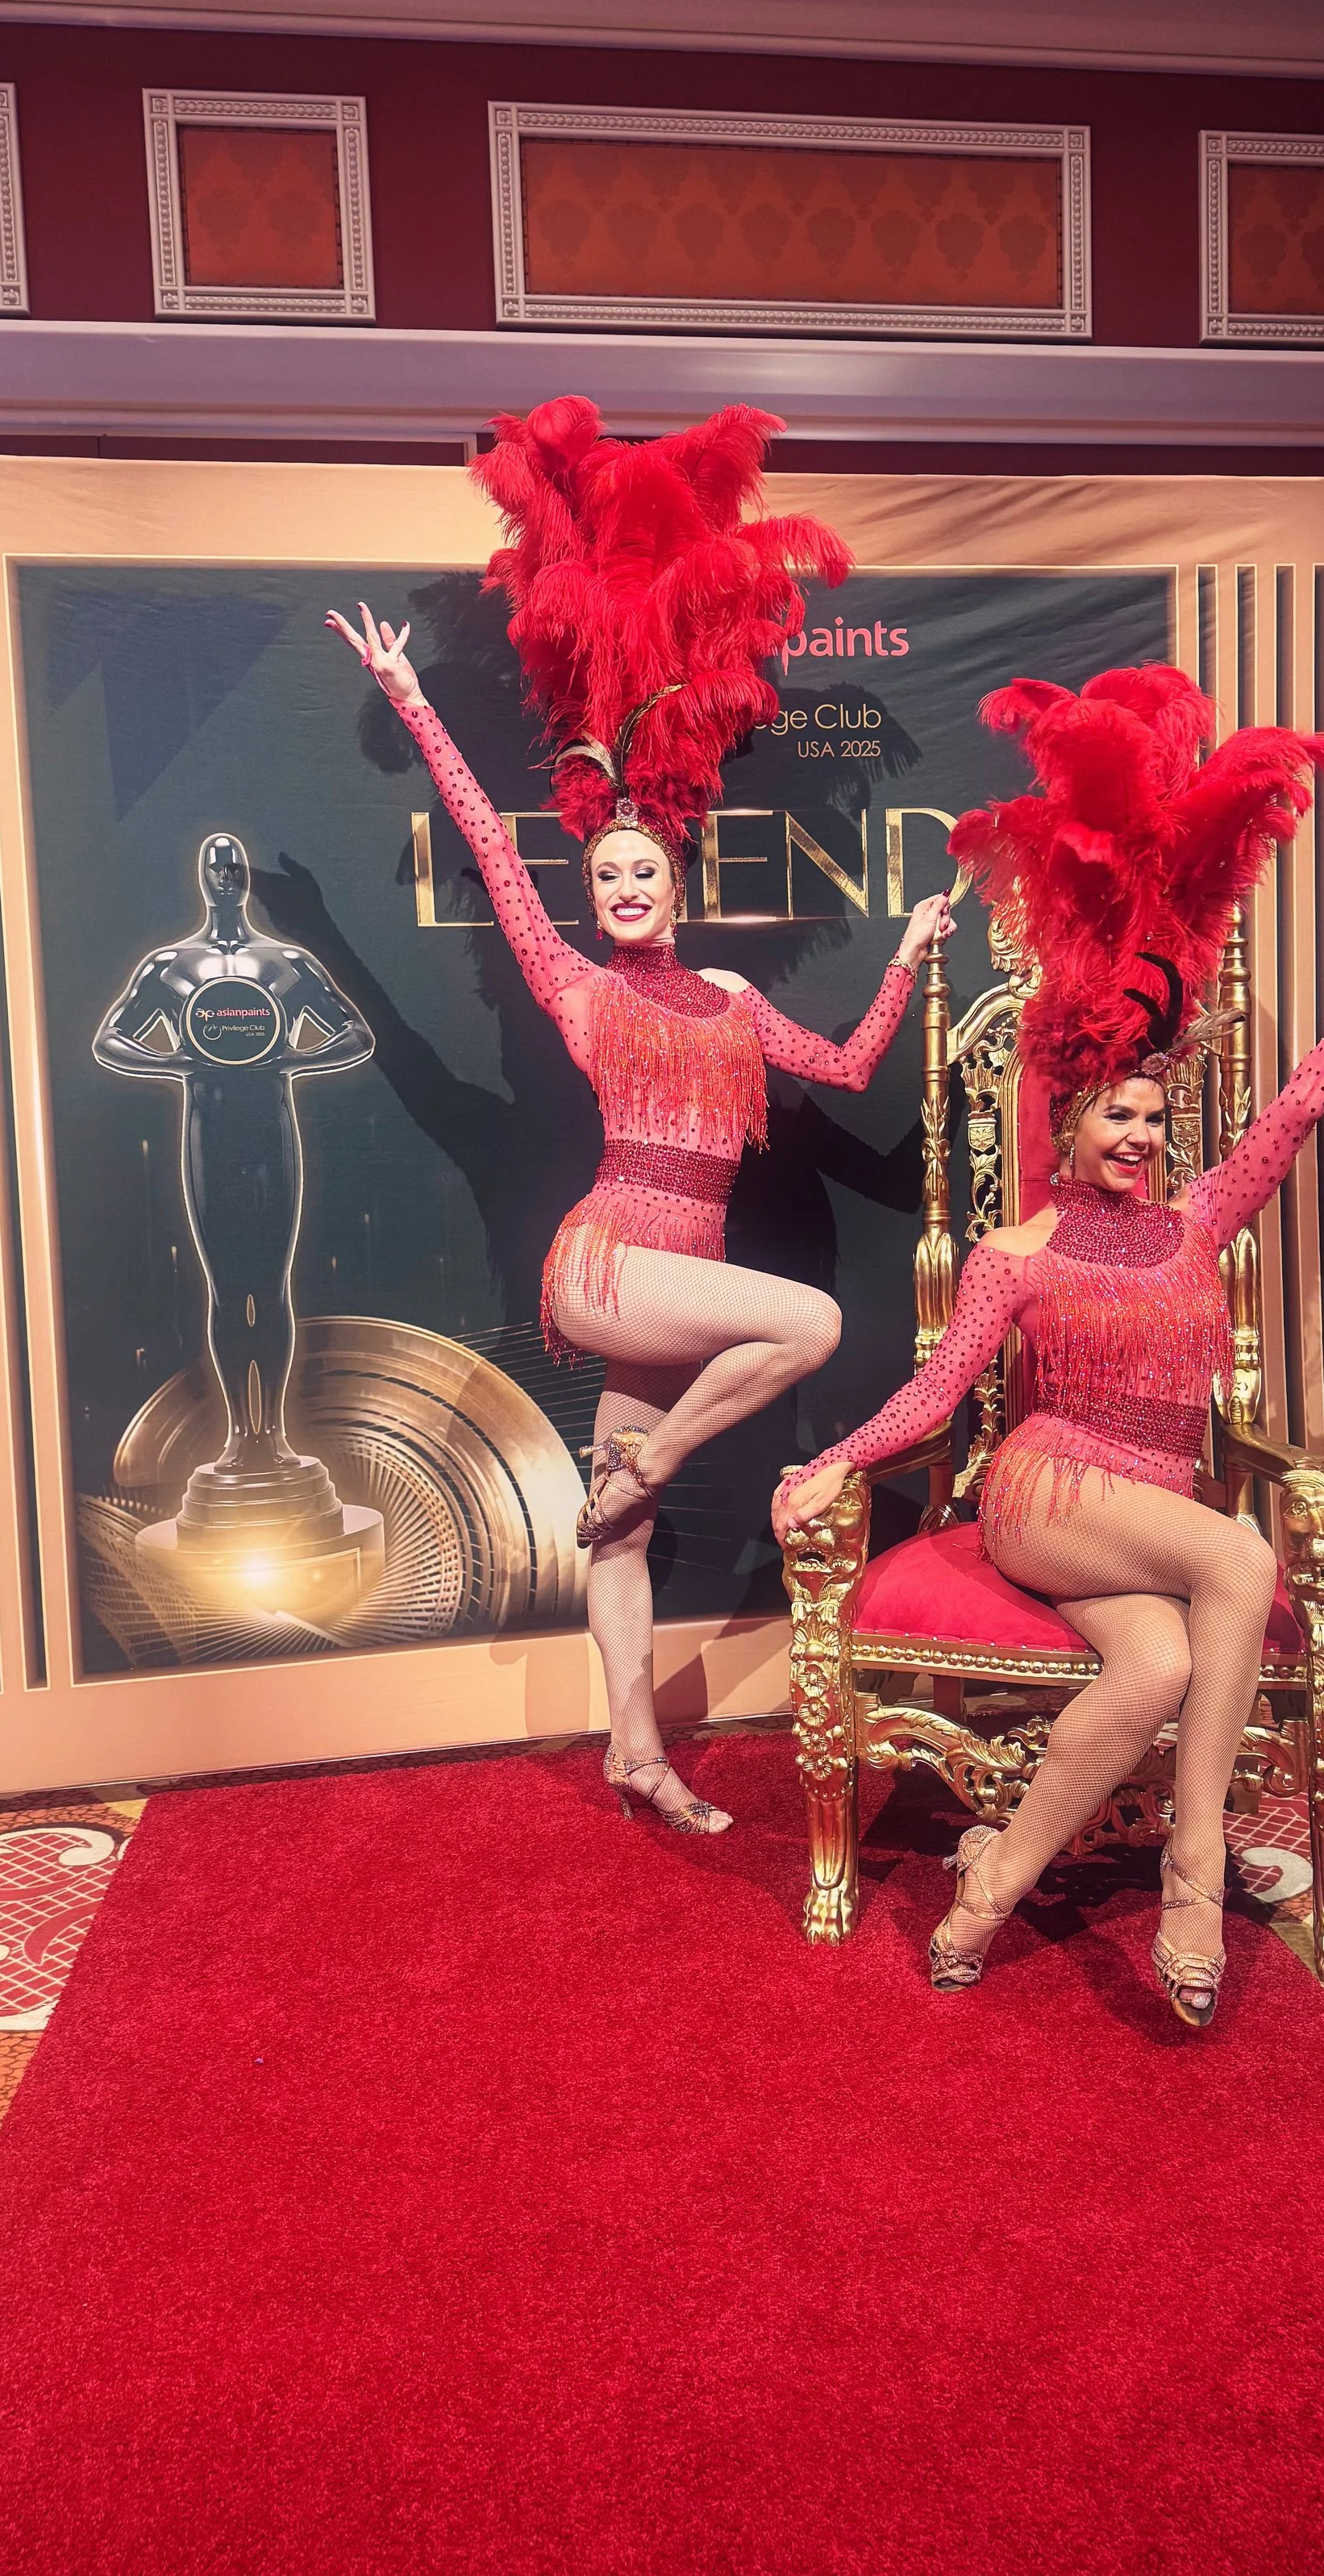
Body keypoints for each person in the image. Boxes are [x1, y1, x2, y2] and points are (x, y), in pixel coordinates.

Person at [772, 666, 1324, 2023]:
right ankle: (1198, 1863)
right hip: (1049, 1494)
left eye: (1154, 1116)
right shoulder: (1013, 1256)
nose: (1140, 1135)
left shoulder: (1202, 1217)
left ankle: (989, 1888)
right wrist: (835, 1465)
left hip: (1153, 1506)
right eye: (1114, 1117)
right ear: (1068, 1127)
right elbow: (937, 1388)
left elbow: (1293, 1106)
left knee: (1154, 1666)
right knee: (1240, 1550)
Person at [331, 396, 948, 1836]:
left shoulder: (732, 1001)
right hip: (610, 1257)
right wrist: (416, 698)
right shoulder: (572, 986)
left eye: (641, 878)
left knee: (625, 1518)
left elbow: (851, 1071)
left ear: (675, 885)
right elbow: (488, 843)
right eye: (603, 879)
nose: (622, 894)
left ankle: (632, 1745)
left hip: (669, 1285)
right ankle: (653, 1466)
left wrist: (912, 956)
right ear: (592, 891)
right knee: (806, 1326)